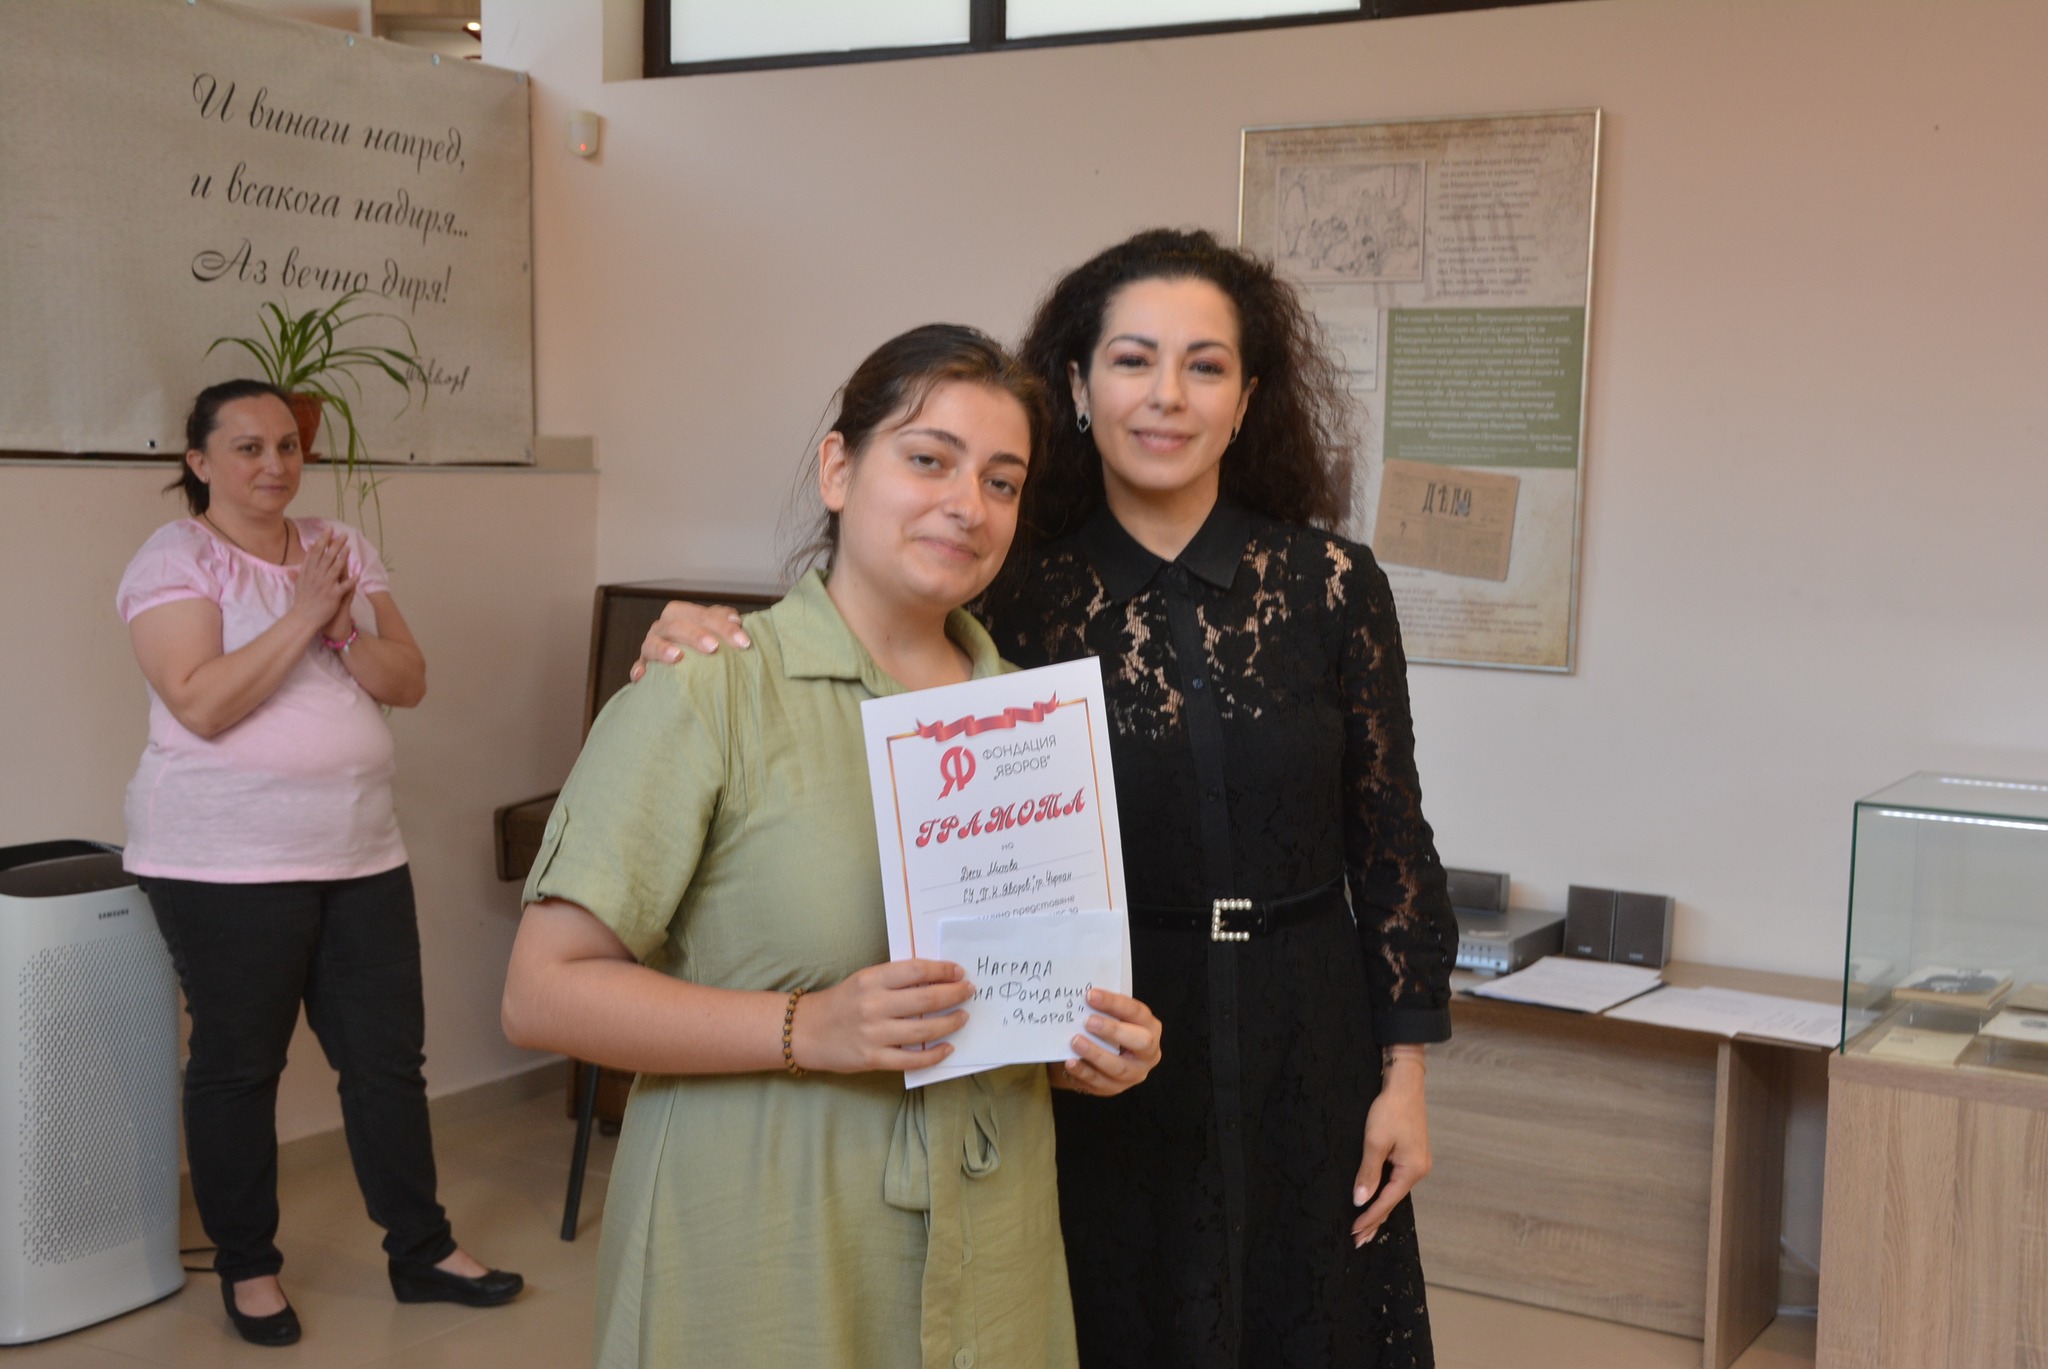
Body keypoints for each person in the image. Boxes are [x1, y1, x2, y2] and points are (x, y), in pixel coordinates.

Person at [638, 229, 1459, 1369]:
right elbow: (862, 652)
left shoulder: (1333, 584)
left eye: (1205, 366)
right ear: (1076, 386)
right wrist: (700, 631)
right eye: (1131, 360)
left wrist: (1403, 1077)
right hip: (1089, 1038)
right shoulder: (1003, 587)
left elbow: (1393, 842)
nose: (1166, 395)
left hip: (1305, 1035)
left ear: (1245, 400)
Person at [499, 323, 1163, 1369]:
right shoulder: (709, 687)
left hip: (991, 1240)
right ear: (838, 469)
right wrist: (809, 1026)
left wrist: (1086, 1043)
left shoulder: (1031, 724)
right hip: (762, 1231)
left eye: (1001, 481)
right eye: (929, 459)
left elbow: (1011, 994)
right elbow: (542, 993)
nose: (968, 504)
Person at [118, 379, 521, 1348]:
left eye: (288, 447)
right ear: (199, 461)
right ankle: (249, 1267)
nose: (275, 464)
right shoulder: (175, 557)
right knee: (239, 1067)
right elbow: (202, 701)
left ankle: (421, 1249)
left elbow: (407, 678)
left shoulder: (338, 543)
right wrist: (306, 615)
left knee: (386, 1061)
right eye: (248, 447)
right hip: (221, 861)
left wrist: (342, 626)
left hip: (360, 850)